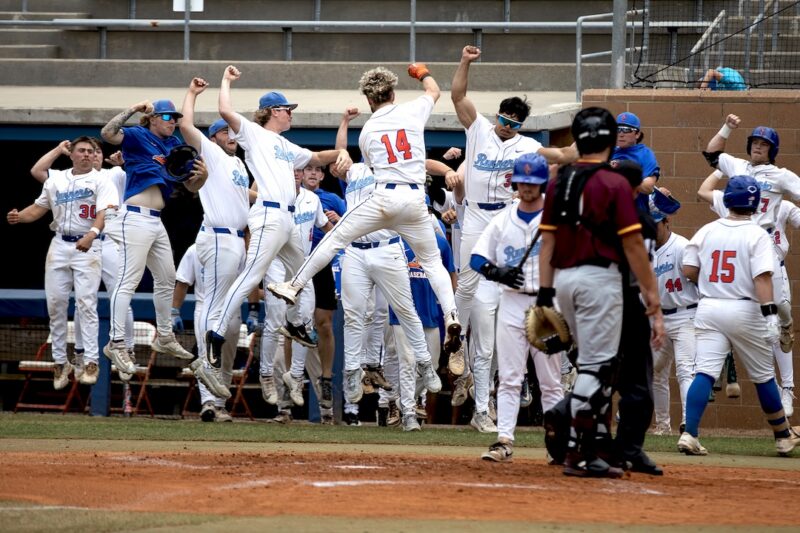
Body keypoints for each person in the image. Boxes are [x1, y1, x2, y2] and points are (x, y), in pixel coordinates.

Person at [267, 64, 463, 376]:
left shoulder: (369, 130)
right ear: (393, 94)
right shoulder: (413, 110)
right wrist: (422, 72)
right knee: (432, 262)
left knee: (335, 237)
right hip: (415, 199)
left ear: (370, 101)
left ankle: (295, 284)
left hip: (384, 198)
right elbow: (434, 91)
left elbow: (370, 165)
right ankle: (452, 315)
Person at [449, 45, 576, 418]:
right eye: (505, 119)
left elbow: (565, 156)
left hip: (506, 218)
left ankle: (491, 372)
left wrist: (596, 142)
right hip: (474, 214)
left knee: (501, 293)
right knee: (468, 284)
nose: (508, 126)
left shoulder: (529, 146)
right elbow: (458, 95)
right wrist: (465, 62)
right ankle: (456, 341)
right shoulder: (478, 130)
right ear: (498, 115)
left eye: (515, 123)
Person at [537, 107, 661, 478]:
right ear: (608, 141)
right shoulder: (613, 183)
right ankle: (578, 450)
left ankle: (596, 444)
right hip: (600, 280)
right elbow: (634, 244)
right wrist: (652, 294)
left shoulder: (560, 180)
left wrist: (545, 293)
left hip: (565, 280)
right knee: (598, 366)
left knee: (597, 365)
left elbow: (547, 242)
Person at [204, 65, 351, 371]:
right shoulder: (255, 134)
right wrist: (226, 80)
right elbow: (224, 109)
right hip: (269, 214)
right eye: (287, 109)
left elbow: (317, 158)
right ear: (272, 111)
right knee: (251, 276)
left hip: (289, 220)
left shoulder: (286, 145)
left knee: (303, 276)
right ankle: (215, 331)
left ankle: (295, 324)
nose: (291, 114)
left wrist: (342, 153)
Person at [678, 175, 800, 456]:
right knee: (764, 377)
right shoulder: (757, 233)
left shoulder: (708, 229)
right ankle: (782, 436)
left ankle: (690, 433)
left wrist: (709, 283)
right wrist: (771, 316)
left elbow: (688, 269)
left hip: (709, 307)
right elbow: (763, 279)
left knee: (704, 372)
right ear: (755, 203)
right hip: (745, 309)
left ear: (728, 199)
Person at [100, 98, 204, 374]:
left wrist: (202, 176)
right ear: (154, 118)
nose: (173, 122)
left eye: (175, 118)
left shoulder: (173, 147)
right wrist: (133, 109)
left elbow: (190, 186)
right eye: (168, 117)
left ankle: (165, 336)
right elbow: (107, 134)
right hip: (134, 215)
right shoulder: (137, 134)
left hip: (156, 220)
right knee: (128, 281)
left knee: (167, 278)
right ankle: (116, 342)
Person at [472, 153, 564, 462]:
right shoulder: (502, 220)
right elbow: (476, 259)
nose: (527, 188)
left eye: (533, 183)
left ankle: (556, 444)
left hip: (546, 303)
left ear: (542, 185)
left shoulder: (555, 219)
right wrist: (497, 272)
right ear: (516, 182)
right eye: (523, 182)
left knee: (550, 381)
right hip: (511, 301)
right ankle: (504, 439)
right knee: (510, 376)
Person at [8, 136, 118, 388]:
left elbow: (103, 213)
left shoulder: (103, 179)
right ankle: (60, 362)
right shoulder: (57, 178)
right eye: (81, 150)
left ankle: (91, 360)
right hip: (59, 242)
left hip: (88, 243)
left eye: (91, 151)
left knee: (86, 303)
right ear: (72, 154)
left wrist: (92, 234)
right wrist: (19, 217)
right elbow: (38, 208)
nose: (87, 155)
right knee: (55, 304)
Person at [30, 140, 138, 380]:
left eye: (97, 151)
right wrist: (59, 149)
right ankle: (79, 354)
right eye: (87, 151)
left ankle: (125, 349)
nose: (92, 155)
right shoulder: (63, 179)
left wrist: (126, 162)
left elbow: (139, 179)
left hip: (109, 240)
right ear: (75, 155)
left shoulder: (114, 174)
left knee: (120, 296)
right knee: (79, 303)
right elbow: (38, 173)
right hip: (72, 241)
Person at [178, 76, 253, 399]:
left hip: (237, 239)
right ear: (214, 137)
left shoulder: (239, 164)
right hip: (219, 236)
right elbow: (186, 127)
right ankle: (205, 362)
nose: (231, 135)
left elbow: (246, 196)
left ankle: (212, 369)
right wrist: (192, 94)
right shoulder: (211, 153)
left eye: (232, 131)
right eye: (225, 131)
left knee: (229, 312)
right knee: (212, 302)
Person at [703, 115, 800, 353]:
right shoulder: (738, 166)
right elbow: (711, 154)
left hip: (764, 240)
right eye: (755, 142)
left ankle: (786, 323)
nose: (758, 146)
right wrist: (726, 127)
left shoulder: (781, 175)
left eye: (764, 143)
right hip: (738, 236)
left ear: (772, 149)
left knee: (779, 303)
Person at [171, 243, 242, 421]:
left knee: (226, 360)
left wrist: (255, 308)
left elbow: (250, 281)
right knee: (206, 357)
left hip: (231, 308)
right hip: (204, 308)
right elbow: (182, 281)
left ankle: (221, 405)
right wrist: (174, 310)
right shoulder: (194, 249)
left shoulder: (238, 247)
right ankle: (208, 403)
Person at [296, 163, 346, 410]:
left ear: (323, 175)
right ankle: (293, 379)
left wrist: (338, 221)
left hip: (323, 262)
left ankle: (327, 377)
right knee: (292, 323)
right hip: (295, 262)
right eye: (308, 170)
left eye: (317, 170)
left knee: (324, 323)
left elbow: (351, 228)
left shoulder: (332, 199)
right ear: (300, 174)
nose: (313, 173)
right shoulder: (289, 194)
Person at [649, 188, 697, 436]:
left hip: (686, 315)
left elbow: (699, 281)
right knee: (657, 373)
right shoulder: (644, 249)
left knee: (685, 369)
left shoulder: (683, 246)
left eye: (655, 223)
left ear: (666, 222)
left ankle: (689, 423)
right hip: (658, 320)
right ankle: (663, 425)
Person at [611, 112, 660, 205]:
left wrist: (622, 178)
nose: (621, 134)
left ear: (637, 134)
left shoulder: (645, 154)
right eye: (618, 129)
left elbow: (648, 187)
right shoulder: (608, 151)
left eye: (626, 130)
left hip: (635, 212)